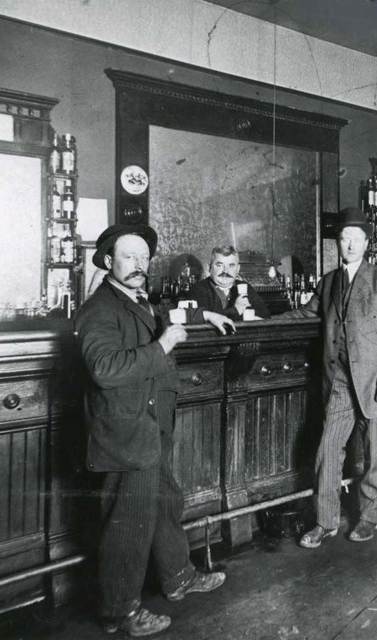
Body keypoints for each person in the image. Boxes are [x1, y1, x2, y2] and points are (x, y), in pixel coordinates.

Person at [74, 224, 236, 637]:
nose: (139, 265)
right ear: (109, 262)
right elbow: (105, 369)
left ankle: (178, 577)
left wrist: (208, 313)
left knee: (164, 502)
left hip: (148, 428)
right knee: (127, 522)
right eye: (130, 257)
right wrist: (162, 346)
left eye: (144, 258)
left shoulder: (139, 299)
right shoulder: (99, 309)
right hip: (124, 432)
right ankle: (119, 611)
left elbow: (170, 314)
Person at [280, 207, 377, 547]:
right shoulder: (329, 282)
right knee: (327, 448)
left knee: (374, 453)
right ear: (337, 243)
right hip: (339, 380)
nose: (350, 244)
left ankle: (369, 517)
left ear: (367, 243)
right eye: (344, 238)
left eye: (357, 238)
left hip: (375, 381)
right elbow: (305, 314)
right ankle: (325, 521)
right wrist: (255, 320)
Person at [188, 245, 270, 320]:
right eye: (219, 265)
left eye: (231, 266)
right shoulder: (198, 289)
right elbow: (201, 319)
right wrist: (235, 311)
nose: (225, 271)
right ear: (209, 268)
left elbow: (264, 315)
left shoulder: (245, 287)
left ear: (238, 269)